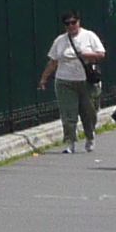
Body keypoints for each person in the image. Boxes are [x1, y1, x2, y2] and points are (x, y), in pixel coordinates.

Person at [40, 9, 108, 153]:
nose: (71, 26)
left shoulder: (89, 36)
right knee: (68, 113)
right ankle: (70, 142)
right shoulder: (60, 41)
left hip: (85, 80)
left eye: (73, 22)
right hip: (64, 80)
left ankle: (90, 136)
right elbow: (53, 61)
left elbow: (101, 54)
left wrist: (87, 54)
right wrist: (44, 78)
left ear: (79, 22)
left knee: (89, 112)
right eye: (67, 24)